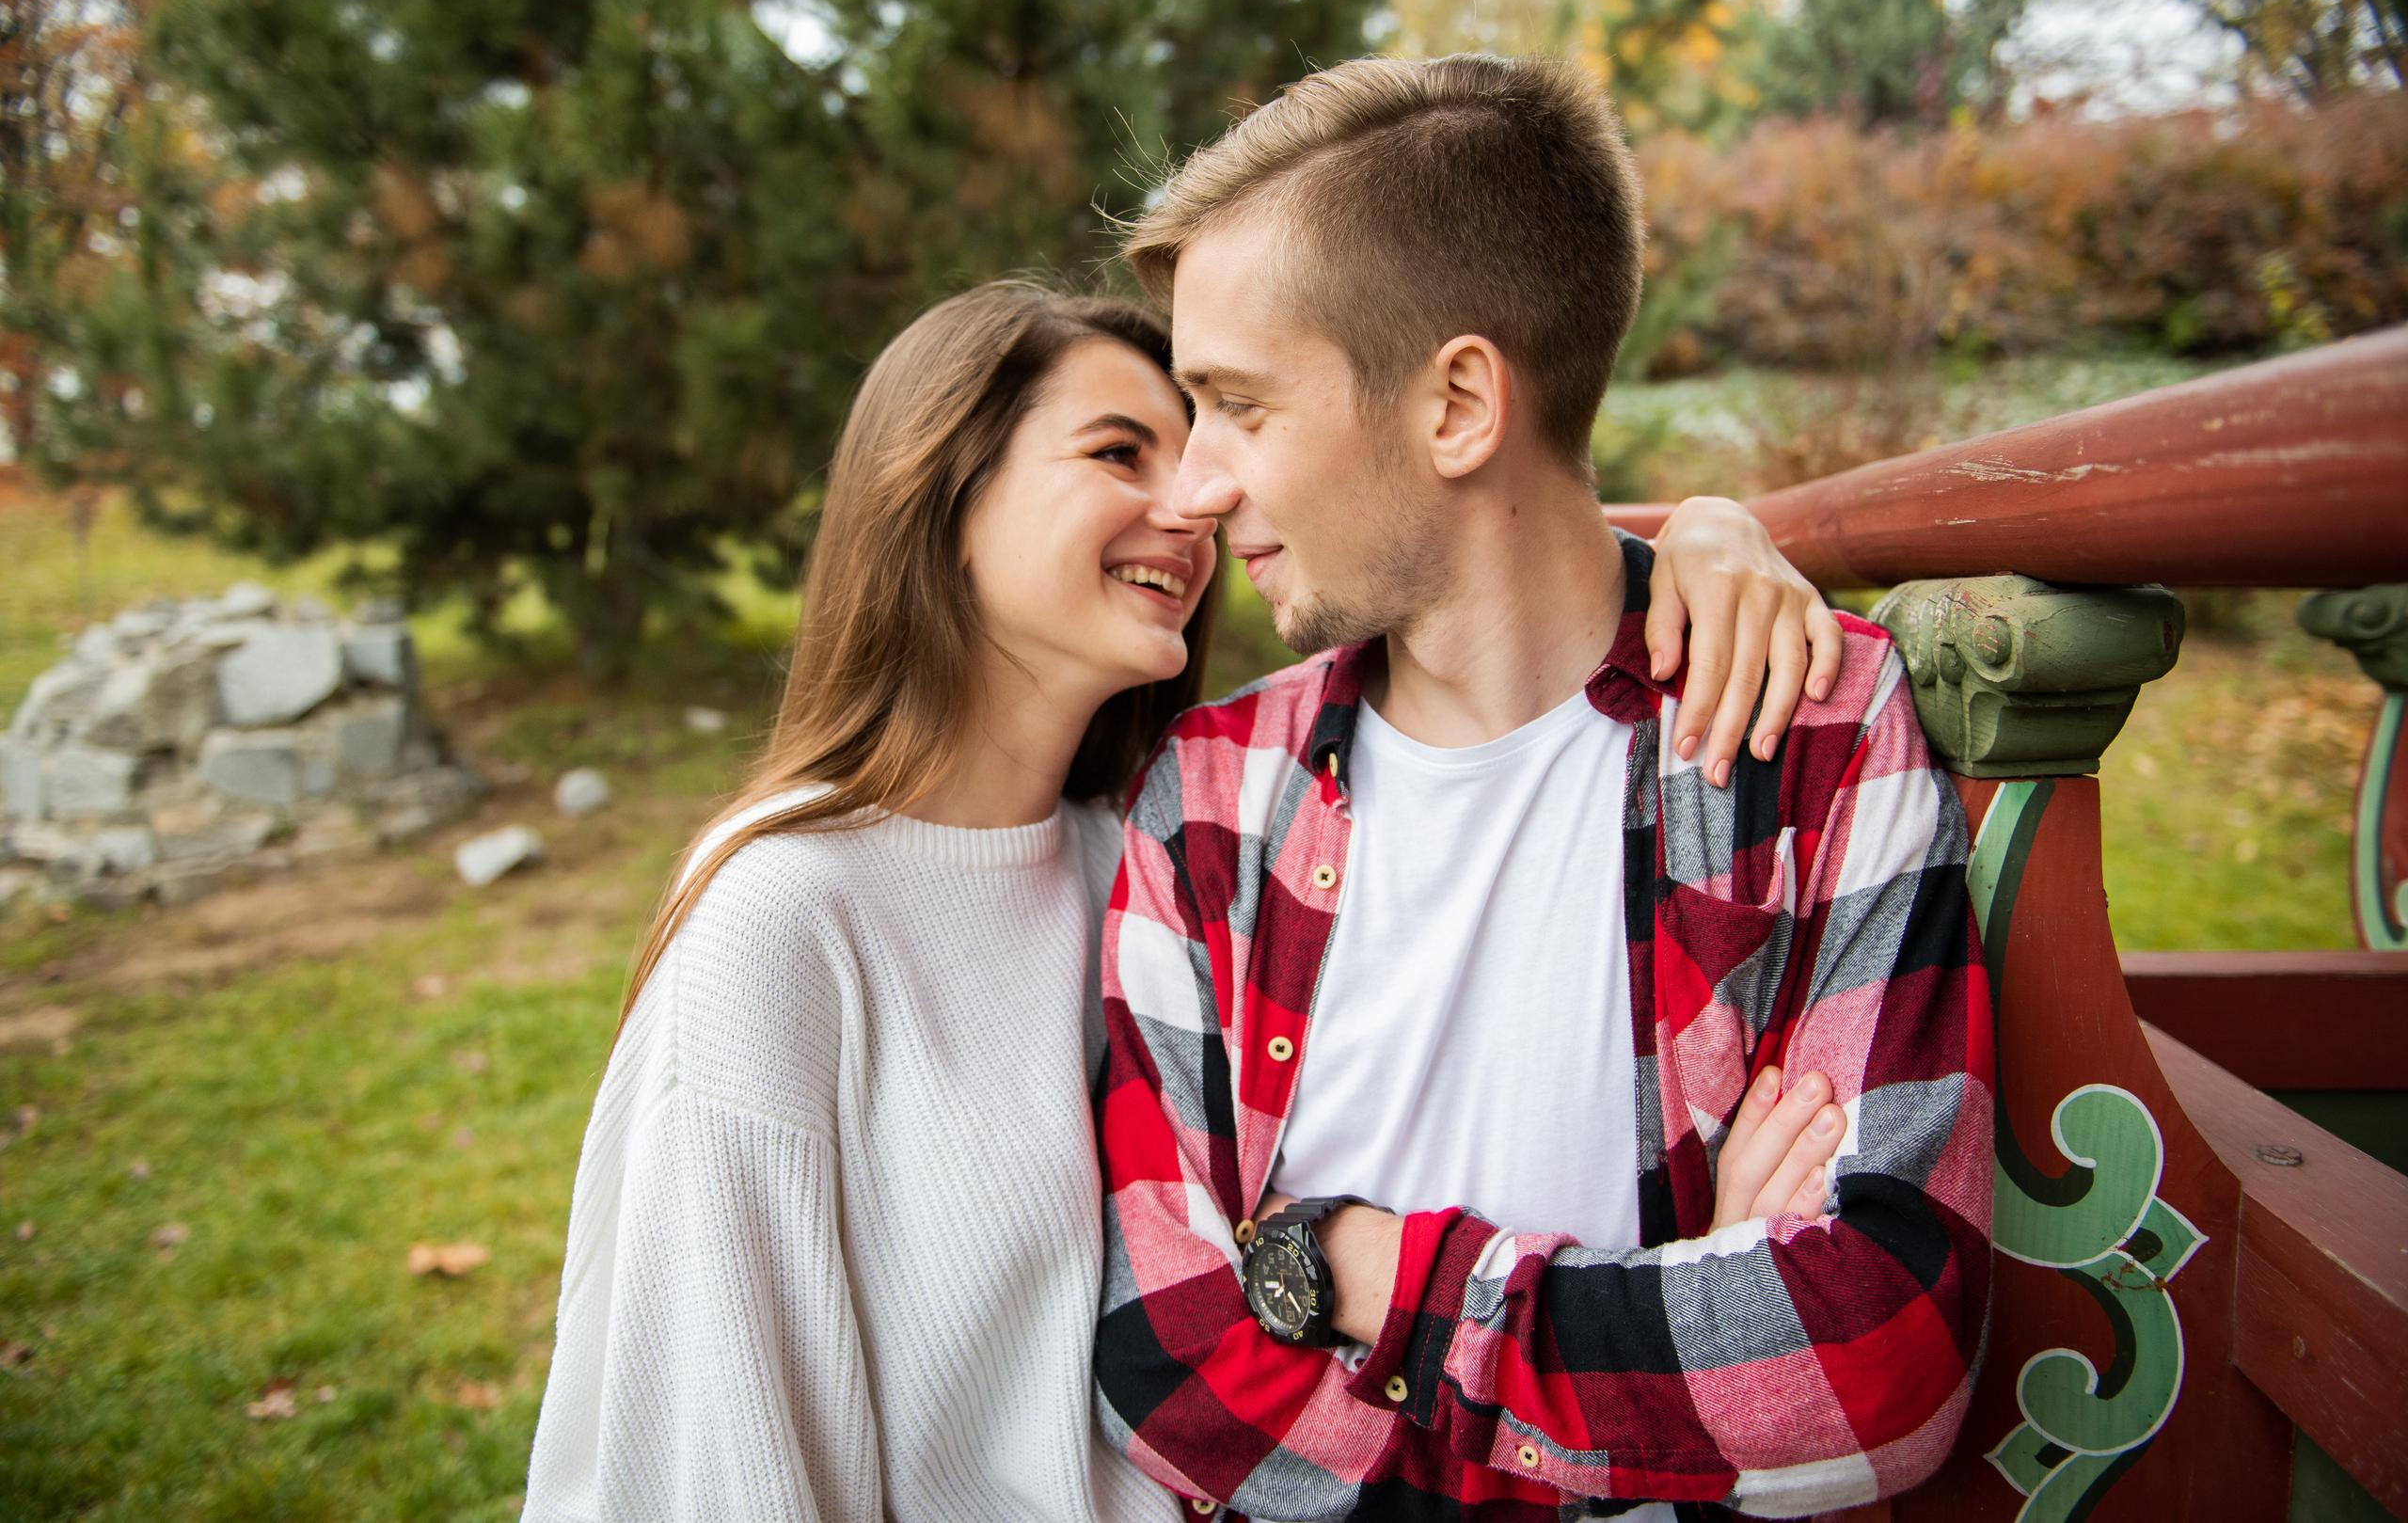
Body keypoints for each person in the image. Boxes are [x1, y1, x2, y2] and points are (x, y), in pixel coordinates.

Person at [519, 276, 1848, 1520]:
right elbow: (711, 1452)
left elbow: (1492, 568)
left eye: (1203, 449)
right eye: (1119, 453)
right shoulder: (786, 922)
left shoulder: (1155, 850)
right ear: (940, 492)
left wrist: (1709, 538)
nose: (1199, 503)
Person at [1092, 54, 1993, 1521]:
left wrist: (1346, 1264)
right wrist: (1674, 1337)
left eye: (1238, 406)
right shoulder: (1207, 797)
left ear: (1458, 404)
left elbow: (1880, 1351)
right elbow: (1169, 1358)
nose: (1193, 487)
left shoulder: (1807, 730)